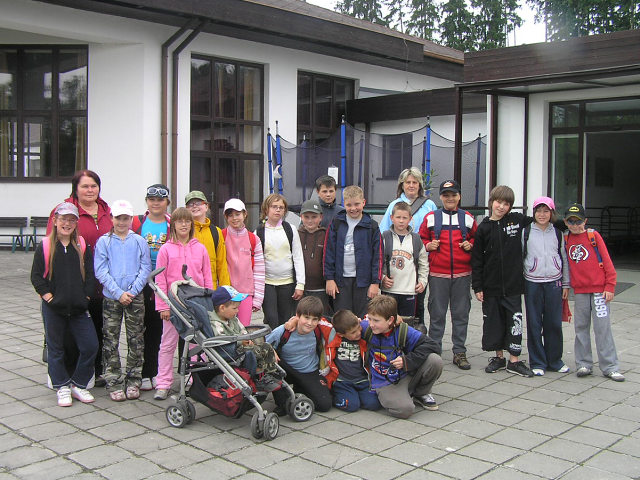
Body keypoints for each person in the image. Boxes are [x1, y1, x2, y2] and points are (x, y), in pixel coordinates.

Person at [46, 170, 111, 386]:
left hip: (102, 284)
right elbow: (52, 247)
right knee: (70, 334)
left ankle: (95, 372)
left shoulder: (106, 211)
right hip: (73, 285)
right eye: (85, 186)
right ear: (76, 189)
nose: (90, 190)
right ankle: (67, 374)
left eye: (94, 186)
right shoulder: (65, 211)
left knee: (98, 330)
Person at [32, 202, 98, 407]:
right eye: (63, 219)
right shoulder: (45, 246)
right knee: (56, 348)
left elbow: (90, 275)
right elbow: (36, 277)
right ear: (55, 221)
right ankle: (61, 386)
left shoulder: (81, 245)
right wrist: (49, 298)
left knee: (90, 346)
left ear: (76, 223)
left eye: (71, 220)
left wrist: (86, 298)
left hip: (78, 308)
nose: (67, 224)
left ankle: (78, 384)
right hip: (54, 308)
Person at [471, 185, 534, 377]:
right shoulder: (483, 228)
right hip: (491, 287)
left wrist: (564, 224)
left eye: (506, 204)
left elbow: (541, 219)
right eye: (498, 202)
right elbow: (477, 260)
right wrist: (478, 286)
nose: (501, 207)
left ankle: (514, 360)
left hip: (513, 285)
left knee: (514, 322)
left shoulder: (516, 220)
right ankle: (498, 357)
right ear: (491, 202)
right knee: (494, 323)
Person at [94, 200, 152, 401]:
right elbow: (101, 270)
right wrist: (118, 292)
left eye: (125, 218)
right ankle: (113, 380)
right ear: (112, 218)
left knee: (136, 339)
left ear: (131, 219)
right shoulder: (104, 242)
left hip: (134, 297)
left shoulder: (139, 241)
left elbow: (145, 268)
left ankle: (134, 379)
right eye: (118, 218)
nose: (121, 222)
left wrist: (133, 291)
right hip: (112, 297)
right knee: (110, 339)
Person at [154, 207, 213, 399]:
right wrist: (163, 306)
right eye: (180, 221)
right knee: (168, 344)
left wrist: (208, 303)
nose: (184, 225)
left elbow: (207, 277)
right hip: (173, 305)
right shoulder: (166, 249)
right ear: (173, 224)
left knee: (196, 344)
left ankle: (192, 379)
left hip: (195, 304)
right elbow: (160, 280)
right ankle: (163, 383)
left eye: (187, 221)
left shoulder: (200, 248)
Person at [419, 180, 477, 370]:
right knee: (437, 314)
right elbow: (420, 239)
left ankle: (459, 352)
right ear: (441, 197)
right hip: (438, 275)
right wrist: (428, 245)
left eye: (453, 195)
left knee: (461, 315)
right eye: (446, 195)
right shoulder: (431, 218)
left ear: (459, 196)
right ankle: (434, 350)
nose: (450, 198)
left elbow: (477, 238)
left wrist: (471, 245)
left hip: (462, 275)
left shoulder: (467, 218)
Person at [563, 203, 624, 382]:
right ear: (565, 222)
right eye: (571, 221)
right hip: (580, 292)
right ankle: (583, 363)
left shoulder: (593, 236)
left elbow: (607, 262)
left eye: (578, 221)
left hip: (599, 292)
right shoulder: (566, 239)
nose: (575, 225)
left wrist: (610, 286)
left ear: (585, 221)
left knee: (602, 329)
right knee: (581, 328)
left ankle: (610, 366)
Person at [361, 295, 442, 419]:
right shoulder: (366, 328)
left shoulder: (403, 330)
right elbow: (339, 322)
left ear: (390, 320)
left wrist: (407, 361)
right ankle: (403, 396)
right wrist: (352, 320)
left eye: (376, 321)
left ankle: (421, 393)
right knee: (404, 410)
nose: (371, 324)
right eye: (370, 319)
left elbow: (433, 346)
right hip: (384, 382)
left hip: (405, 375)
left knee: (435, 360)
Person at [380, 168, 436, 325]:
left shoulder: (429, 205)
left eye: (415, 182)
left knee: (418, 306)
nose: (411, 185)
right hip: (395, 264)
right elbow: (383, 233)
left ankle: (416, 333)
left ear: (420, 185)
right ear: (402, 185)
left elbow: (435, 231)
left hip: (417, 261)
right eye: (408, 182)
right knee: (389, 311)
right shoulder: (394, 205)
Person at [522, 196, 570, 376]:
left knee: (553, 323)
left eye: (546, 211)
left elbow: (564, 258)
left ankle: (555, 360)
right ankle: (537, 362)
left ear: (552, 213)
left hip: (554, 282)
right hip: (532, 282)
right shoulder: (526, 232)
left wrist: (566, 284)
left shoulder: (558, 233)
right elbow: (521, 256)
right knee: (534, 323)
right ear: (534, 213)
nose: (542, 215)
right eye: (538, 211)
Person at [132, 183, 171, 392]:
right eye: (152, 199)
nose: (156, 203)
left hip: (162, 282)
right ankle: (139, 372)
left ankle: (153, 371)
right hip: (140, 282)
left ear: (167, 202)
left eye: (160, 200)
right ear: (147, 201)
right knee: (138, 329)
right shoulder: (137, 223)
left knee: (157, 329)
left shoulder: (171, 224)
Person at [265, 296, 332, 415]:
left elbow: (339, 321)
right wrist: (270, 349)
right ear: (298, 315)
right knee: (285, 408)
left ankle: (300, 389)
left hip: (310, 371)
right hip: (287, 371)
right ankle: (284, 398)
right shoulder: (283, 331)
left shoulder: (319, 329)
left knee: (324, 405)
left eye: (314, 319)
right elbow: (262, 344)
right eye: (306, 317)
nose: (310, 323)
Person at [207, 285, 282, 392]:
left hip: (242, 346)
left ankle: (271, 373)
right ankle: (259, 377)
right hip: (230, 351)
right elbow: (221, 339)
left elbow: (243, 330)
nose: (237, 311)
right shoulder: (216, 323)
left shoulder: (233, 318)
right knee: (254, 352)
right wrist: (240, 341)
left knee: (266, 346)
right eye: (234, 308)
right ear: (222, 308)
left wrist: (247, 338)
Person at [324, 185, 381, 318]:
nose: (353, 208)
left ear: (363, 202)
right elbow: (328, 253)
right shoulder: (336, 223)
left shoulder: (371, 226)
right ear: (344, 204)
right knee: (343, 318)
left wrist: (375, 283)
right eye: (349, 205)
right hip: (341, 281)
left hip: (364, 282)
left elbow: (378, 257)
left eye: (357, 204)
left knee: (364, 318)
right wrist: (329, 279)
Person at [257, 194, 305, 329]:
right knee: (271, 318)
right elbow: (256, 261)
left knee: (286, 320)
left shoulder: (290, 229)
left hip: (287, 283)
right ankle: (272, 342)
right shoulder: (259, 231)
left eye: (281, 207)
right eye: (274, 207)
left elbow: (298, 257)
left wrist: (300, 284)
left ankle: (284, 342)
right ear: (266, 209)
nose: (277, 210)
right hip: (267, 283)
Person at [322, 309, 381, 412]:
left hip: (362, 380)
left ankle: (355, 396)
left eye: (358, 328)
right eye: (353, 332)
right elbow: (318, 319)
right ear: (341, 334)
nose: (358, 333)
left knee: (374, 404)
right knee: (352, 406)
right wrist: (295, 320)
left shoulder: (363, 333)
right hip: (343, 382)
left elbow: (373, 316)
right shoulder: (332, 334)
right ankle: (338, 396)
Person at [221, 198, 265, 327]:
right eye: (230, 215)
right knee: (226, 330)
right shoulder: (221, 236)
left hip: (246, 293)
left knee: (244, 329)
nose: (234, 218)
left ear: (245, 214)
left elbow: (259, 271)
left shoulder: (253, 239)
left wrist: (258, 299)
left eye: (238, 214)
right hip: (226, 293)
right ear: (226, 217)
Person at [381, 202, 428, 317]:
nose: (401, 221)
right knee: (387, 321)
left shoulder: (416, 240)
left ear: (410, 219)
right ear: (392, 218)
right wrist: (382, 278)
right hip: (389, 291)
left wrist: (422, 281)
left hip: (409, 291)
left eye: (404, 218)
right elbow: (378, 262)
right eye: (398, 217)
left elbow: (423, 263)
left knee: (406, 323)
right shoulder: (384, 237)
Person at [185, 190, 230, 289]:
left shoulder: (216, 232)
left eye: (198, 203)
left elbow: (222, 264)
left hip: (211, 289)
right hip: (188, 288)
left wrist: (225, 290)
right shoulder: (184, 231)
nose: (194, 206)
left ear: (206, 206)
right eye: (190, 204)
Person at [297, 199, 330, 315]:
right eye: (306, 217)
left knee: (321, 318)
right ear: (301, 217)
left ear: (321, 217)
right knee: (302, 318)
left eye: (314, 217)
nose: (310, 220)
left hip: (321, 289)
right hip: (301, 289)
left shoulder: (326, 235)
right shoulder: (296, 235)